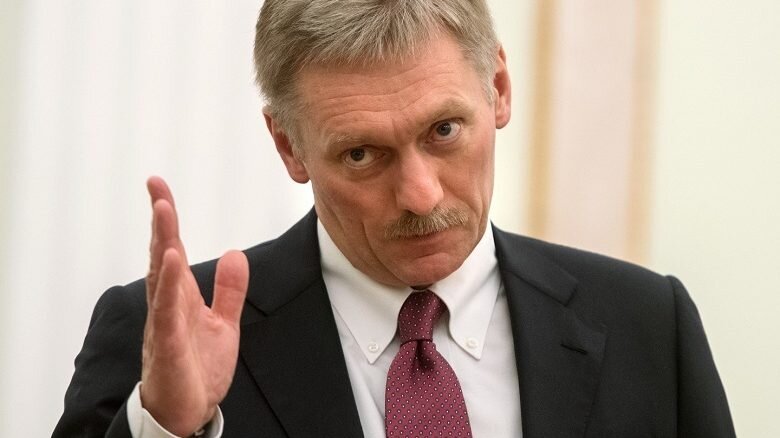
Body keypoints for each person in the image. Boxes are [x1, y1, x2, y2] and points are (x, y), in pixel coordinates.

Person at [54, 1, 736, 437]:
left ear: (498, 89)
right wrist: (166, 431)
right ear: (289, 146)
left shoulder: (649, 324)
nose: (420, 195)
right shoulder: (157, 337)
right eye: (361, 154)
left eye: (444, 130)